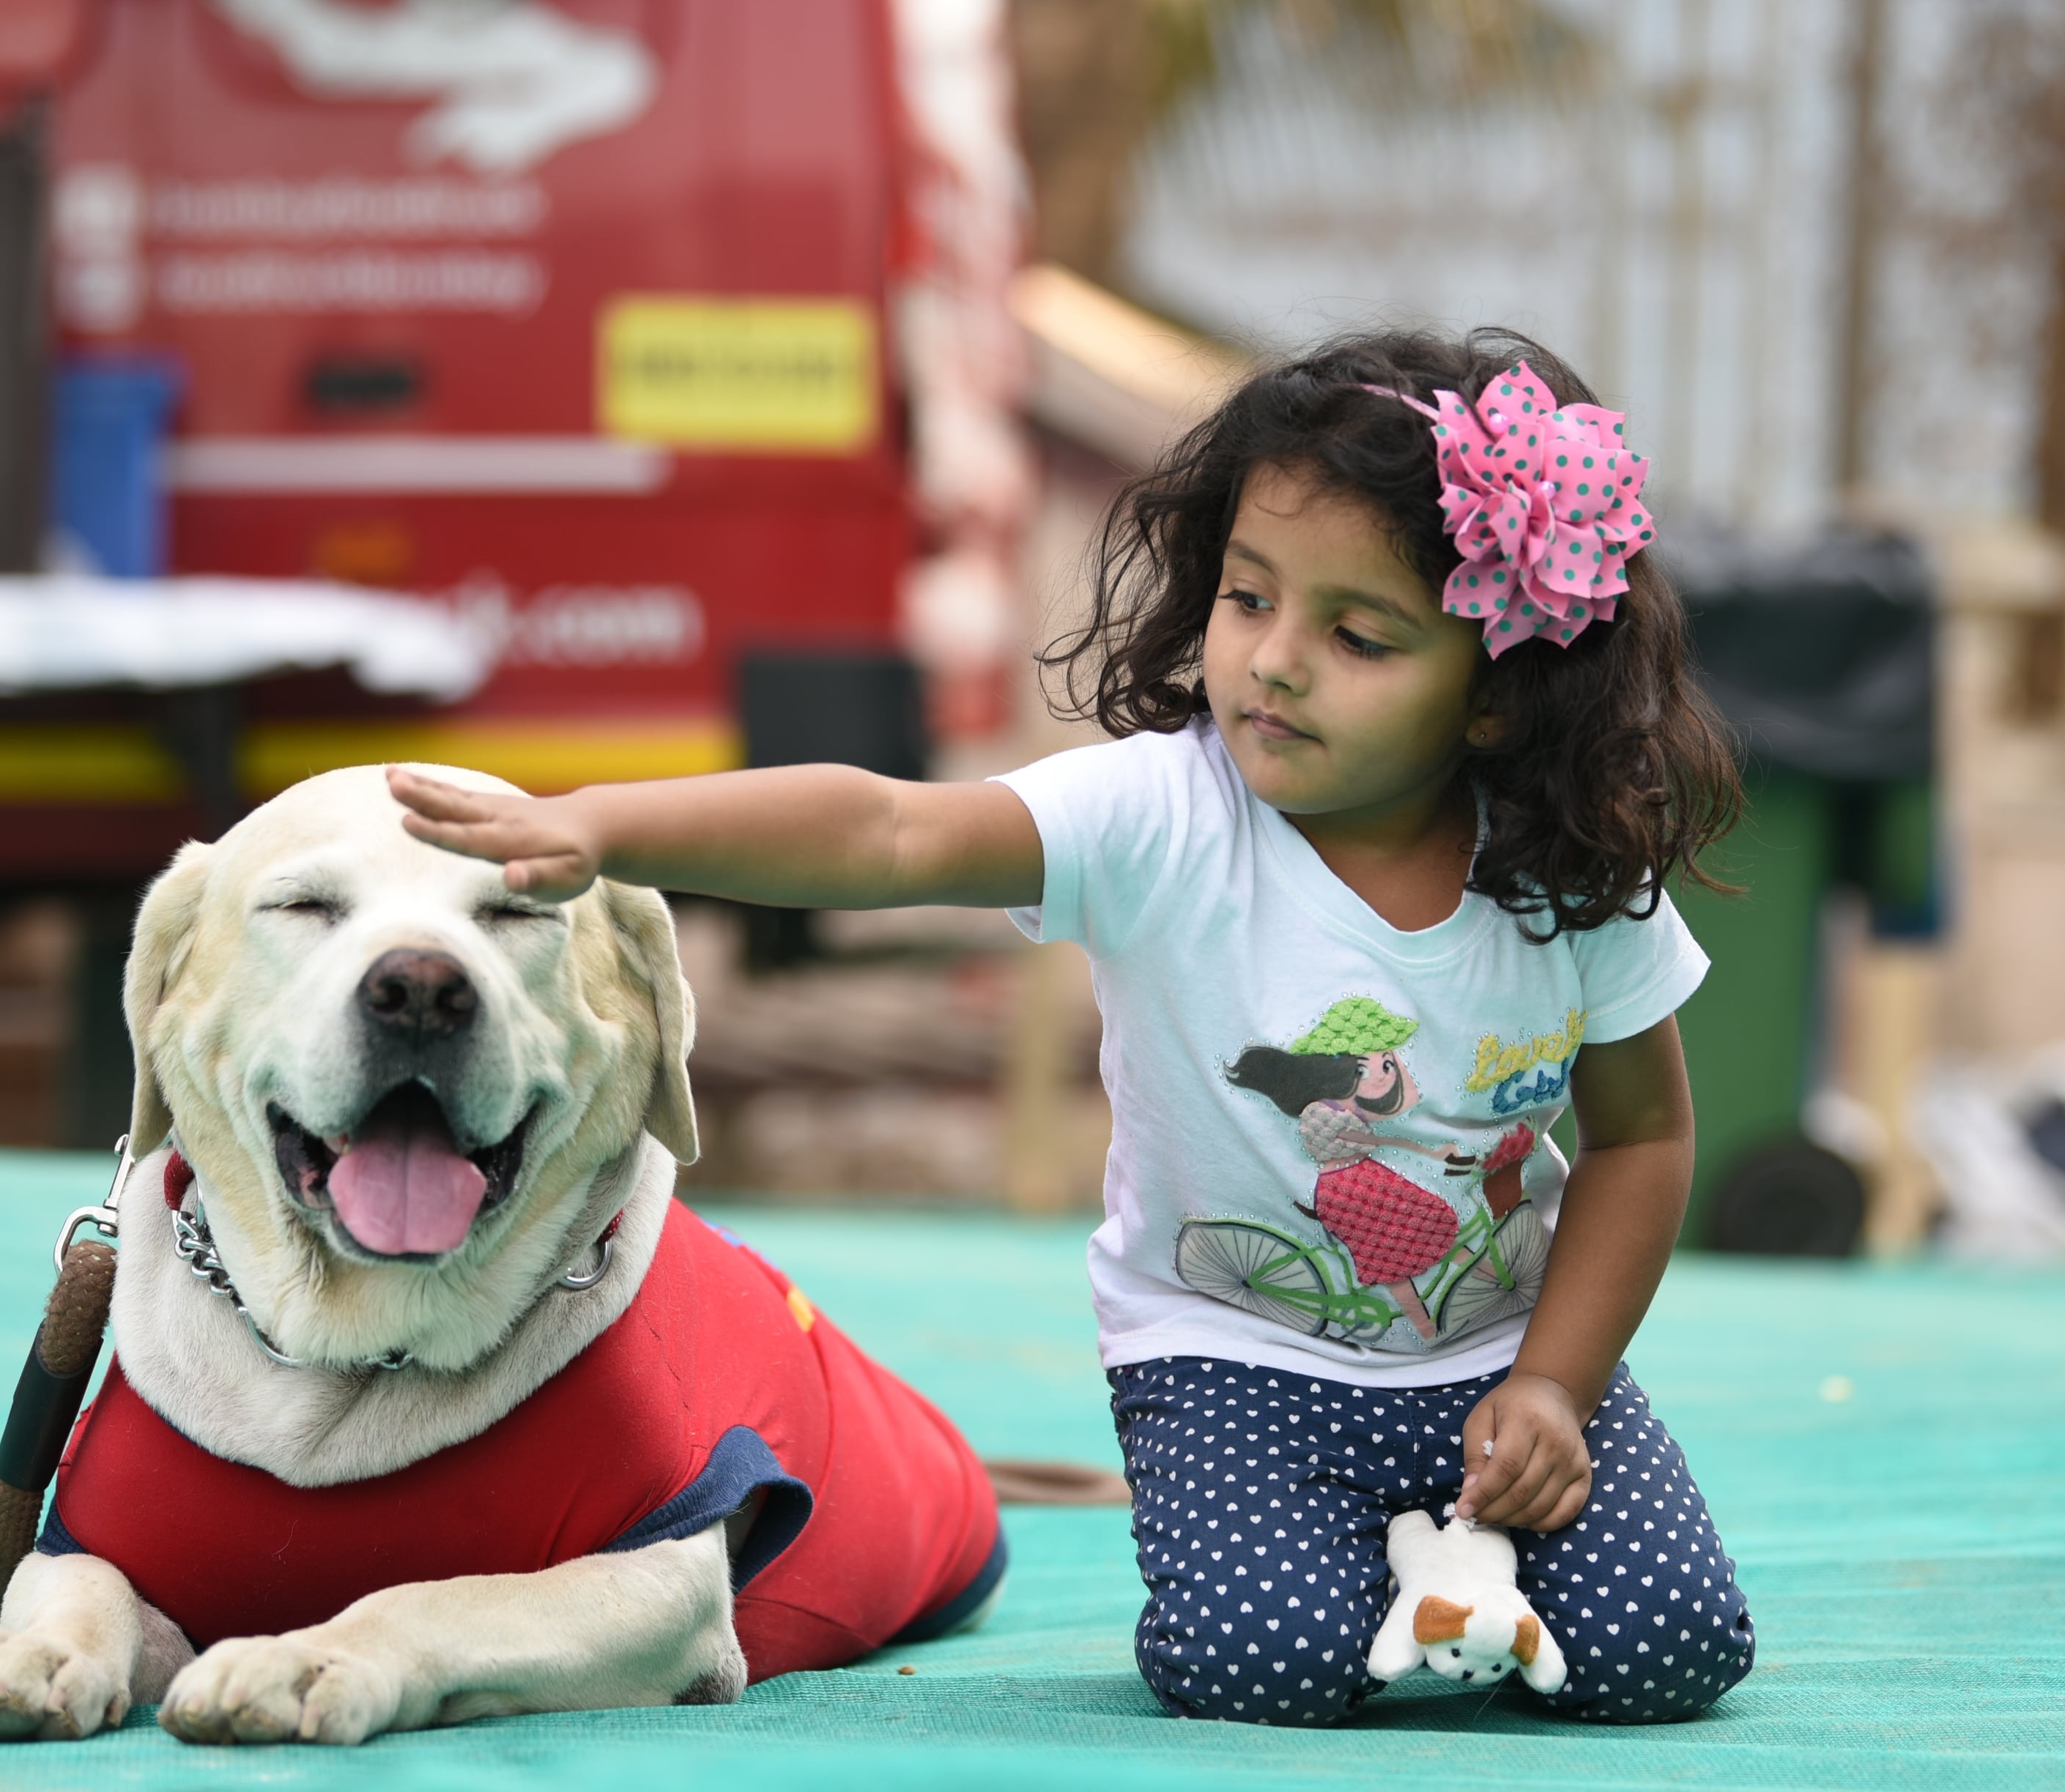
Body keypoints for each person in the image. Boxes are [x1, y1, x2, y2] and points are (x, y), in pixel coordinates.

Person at [388, 327, 1757, 1727]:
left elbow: (1643, 1135)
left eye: (1356, 635)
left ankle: (1449, 1565)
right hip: (1231, 1359)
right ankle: (1423, 1577)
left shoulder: (1568, 880)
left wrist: (1552, 1387)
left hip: (1496, 1361)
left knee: (1675, 1650)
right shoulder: (1163, 817)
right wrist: (609, 822)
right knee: (1256, 1665)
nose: (1273, 663)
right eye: (1246, 597)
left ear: (1496, 694)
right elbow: (890, 827)